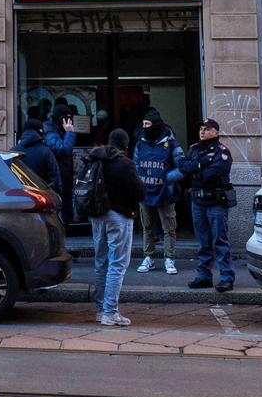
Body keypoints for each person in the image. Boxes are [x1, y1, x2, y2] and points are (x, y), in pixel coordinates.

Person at [87, 128, 142, 327]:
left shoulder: (95, 159)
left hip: (96, 216)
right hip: (119, 216)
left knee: (101, 262)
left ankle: (101, 309)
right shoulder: (124, 164)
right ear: (125, 144)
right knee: (117, 264)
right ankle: (110, 312)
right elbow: (139, 192)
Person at [181, 118, 236, 292]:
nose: (202, 132)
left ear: (216, 132)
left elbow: (211, 175)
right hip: (198, 201)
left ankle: (226, 277)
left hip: (215, 203)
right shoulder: (194, 149)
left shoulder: (222, 151)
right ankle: (204, 276)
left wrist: (194, 169)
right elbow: (183, 167)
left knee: (219, 240)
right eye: (201, 129)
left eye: (207, 129)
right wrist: (199, 165)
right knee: (203, 241)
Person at [132, 108, 181, 275]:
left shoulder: (172, 144)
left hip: (165, 193)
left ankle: (169, 258)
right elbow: (135, 164)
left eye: (147, 124)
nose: (144, 127)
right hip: (145, 193)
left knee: (169, 228)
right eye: (143, 124)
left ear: (156, 125)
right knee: (147, 227)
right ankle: (149, 257)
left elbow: (182, 167)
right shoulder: (140, 142)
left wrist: (168, 178)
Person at [44, 111, 79, 226]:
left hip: (65, 176)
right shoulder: (50, 131)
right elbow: (62, 150)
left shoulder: (57, 130)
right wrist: (69, 133)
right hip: (58, 177)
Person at [13, 120, 57, 188]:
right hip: (40, 195)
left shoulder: (13, 152)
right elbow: (55, 180)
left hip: (18, 195)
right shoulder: (45, 152)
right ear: (40, 131)